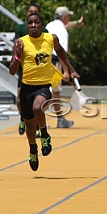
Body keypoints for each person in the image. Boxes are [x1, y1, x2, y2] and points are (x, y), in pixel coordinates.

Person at [10, 12, 79, 171]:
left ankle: (45, 135)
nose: (33, 25)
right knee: (29, 127)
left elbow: (61, 52)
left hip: (43, 85)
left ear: (42, 25)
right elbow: (12, 71)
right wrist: (18, 56)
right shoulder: (21, 42)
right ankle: (33, 149)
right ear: (27, 26)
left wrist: (71, 70)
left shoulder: (50, 38)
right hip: (27, 86)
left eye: (36, 22)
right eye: (30, 23)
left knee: (37, 108)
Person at [45, 6, 84, 128]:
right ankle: (38, 120)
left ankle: (60, 118)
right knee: (51, 93)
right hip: (54, 63)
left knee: (54, 92)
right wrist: (67, 71)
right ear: (65, 17)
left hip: (43, 61)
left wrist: (77, 22)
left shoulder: (49, 25)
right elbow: (61, 53)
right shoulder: (63, 32)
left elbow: (66, 26)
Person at [14, 3, 49, 136]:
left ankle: (39, 126)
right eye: (30, 12)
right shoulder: (21, 28)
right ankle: (22, 118)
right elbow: (16, 44)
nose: (31, 14)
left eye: (35, 12)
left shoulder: (44, 30)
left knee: (38, 103)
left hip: (38, 69)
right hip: (24, 68)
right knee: (20, 100)